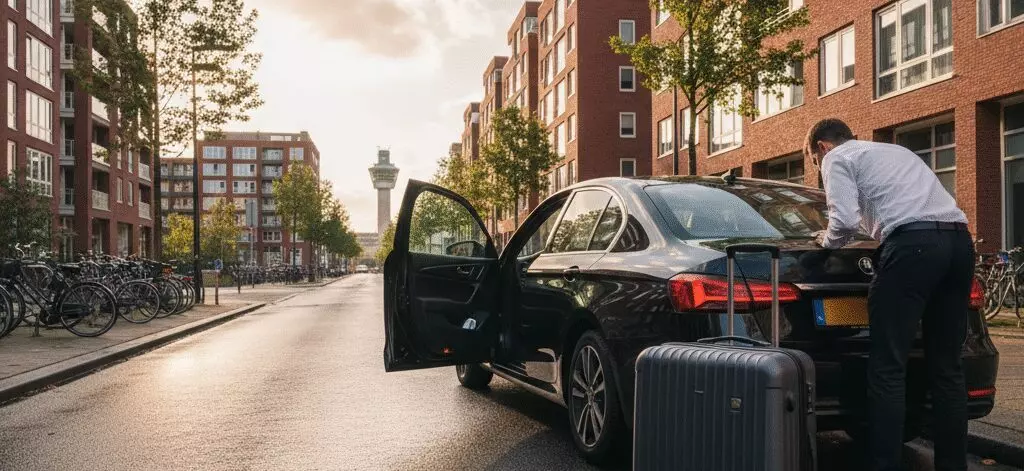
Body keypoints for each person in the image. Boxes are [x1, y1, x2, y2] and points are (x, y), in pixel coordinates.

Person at [805, 118, 973, 471]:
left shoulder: (838, 158)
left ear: (821, 147)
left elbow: (845, 220)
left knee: (888, 365)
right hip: (959, 242)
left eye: (814, 161)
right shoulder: (895, 151)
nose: (819, 168)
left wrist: (826, 241)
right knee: (947, 368)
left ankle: (884, 465)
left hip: (913, 247)